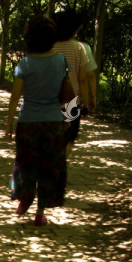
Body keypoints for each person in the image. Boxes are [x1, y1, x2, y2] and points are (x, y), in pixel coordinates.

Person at [4, 15, 67, 226]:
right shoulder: (61, 61)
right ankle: (40, 213)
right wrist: (69, 119)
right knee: (49, 167)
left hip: (28, 122)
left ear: (30, 38)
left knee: (25, 164)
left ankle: (24, 200)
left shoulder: (25, 64)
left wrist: (8, 124)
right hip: (53, 122)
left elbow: (15, 97)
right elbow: (67, 93)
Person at [52, 9, 91, 158]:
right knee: (68, 139)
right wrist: (86, 104)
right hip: (71, 102)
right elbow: (82, 79)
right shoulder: (79, 48)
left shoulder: (49, 46)